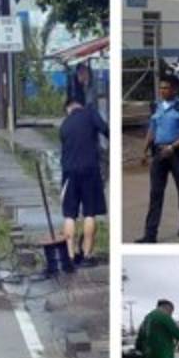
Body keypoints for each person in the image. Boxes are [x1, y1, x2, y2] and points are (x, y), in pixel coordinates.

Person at [137, 76, 179, 242]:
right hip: (159, 152)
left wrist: (173, 147)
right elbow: (152, 129)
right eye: (161, 88)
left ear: (174, 90)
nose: (163, 91)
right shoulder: (157, 106)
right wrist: (144, 151)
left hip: (177, 153)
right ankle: (150, 234)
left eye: (166, 88)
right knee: (155, 193)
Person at [60, 96, 109, 267]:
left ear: (68, 109)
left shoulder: (64, 124)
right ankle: (87, 255)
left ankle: (70, 255)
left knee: (69, 214)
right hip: (90, 170)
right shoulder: (90, 114)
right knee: (90, 213)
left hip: (69, 173)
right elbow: (106, 130)